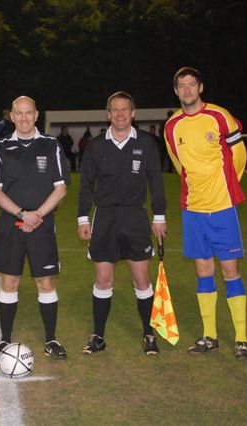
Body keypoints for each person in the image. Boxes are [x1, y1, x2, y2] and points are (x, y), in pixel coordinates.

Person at [164, 66, 247, 360]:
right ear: (176, 91)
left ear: (201, 87)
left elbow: (239, 155)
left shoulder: (220, 116)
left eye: (192, 84)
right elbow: (178, 164)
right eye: (181, 86)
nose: (187, 90)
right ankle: (209, 335)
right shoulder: (171, 126)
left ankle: (241, 339)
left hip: (222, 207)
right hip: (193, 209)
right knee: (203, 271)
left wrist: (227, 186)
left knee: (230, 271)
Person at [78, 91, 168, 356]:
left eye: (124, 110)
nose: (119, 114)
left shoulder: (147, 143)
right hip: (104, 218)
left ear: (133, 113)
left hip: (135, 218)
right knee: (103, 280)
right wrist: (83, 217)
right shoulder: (95, 146)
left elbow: (156, 182)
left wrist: (159, 216)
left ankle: (149, 334)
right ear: (108, 115)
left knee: (141, 280)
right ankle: (99, 336)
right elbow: (86, 184)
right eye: (115, 110)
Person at [0, 95, 70, 361]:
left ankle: (51, 339)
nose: (23, 118)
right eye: (18, 113)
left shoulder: (51, 145)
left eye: (28, 113)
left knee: (45, 281)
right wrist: (22, 214)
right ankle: (4, 340)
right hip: (11, 223)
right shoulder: (0, 148)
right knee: (10, 281)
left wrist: (37, 215)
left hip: (42, 224)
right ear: (11, 116)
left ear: (36, 115)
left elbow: (61, 188)